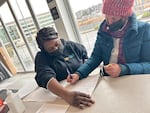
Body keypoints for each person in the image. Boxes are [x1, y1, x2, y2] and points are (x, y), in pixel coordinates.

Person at [67, 0, 150, 84]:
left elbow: (148, 65)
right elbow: (95, 57)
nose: (109, 23)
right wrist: (79, 74)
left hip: (135, 80)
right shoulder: (103, 30)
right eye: (106, 18)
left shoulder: (144, 29)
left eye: (113, 18)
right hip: (110, 81)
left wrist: (123, 69)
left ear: (125, 16)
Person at [34, 27, 94, 109]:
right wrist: (66, 94)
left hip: (87, 86)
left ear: (58, 36)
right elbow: (45, 76)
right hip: (61, 94)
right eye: (50, 49)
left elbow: (87, 62)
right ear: (43, 49)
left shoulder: (73, 46)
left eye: (56, 44)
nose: (55, 48)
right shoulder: (41, 57)